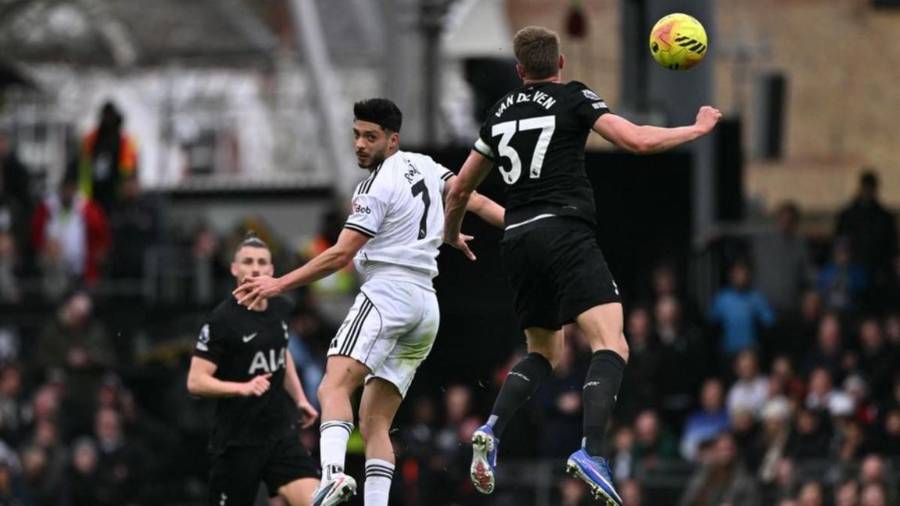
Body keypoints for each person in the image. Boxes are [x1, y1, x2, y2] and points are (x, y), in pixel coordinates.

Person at [442, 25, 721, 504]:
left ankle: (491, 427)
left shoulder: (499, 112)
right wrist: (694, 129)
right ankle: (592, 450)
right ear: (560, 63)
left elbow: (460, 188)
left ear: (519, 70)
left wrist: (450, 234)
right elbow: (636, 140)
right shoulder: (572, 97)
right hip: (564, 231)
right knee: (611, 342)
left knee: (544, 353)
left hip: (517, 239)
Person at [232, 98, 504, 506]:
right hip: (425, 307)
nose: (360, 144)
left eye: (370, 137)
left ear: (392, 140)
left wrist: (278, 284)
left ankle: (331, 476)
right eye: (357, 134)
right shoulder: (426, 165)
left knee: (332, 386)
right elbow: (472, 199)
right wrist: (519, 227)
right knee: (375, 421)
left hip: (387, 294)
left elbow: (340, 255)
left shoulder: (374, 187)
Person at [186, 233, 321, 506]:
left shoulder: (280, 307)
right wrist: (242, 388)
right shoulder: (222, 320)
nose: (255, 268)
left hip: (279, 433)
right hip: (238, 440)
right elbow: (196, 381)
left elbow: (281, 353)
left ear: (271, 270)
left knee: (317, 501)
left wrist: (300, 398)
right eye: (248, 262)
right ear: (234, 269)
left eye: (262, 262)